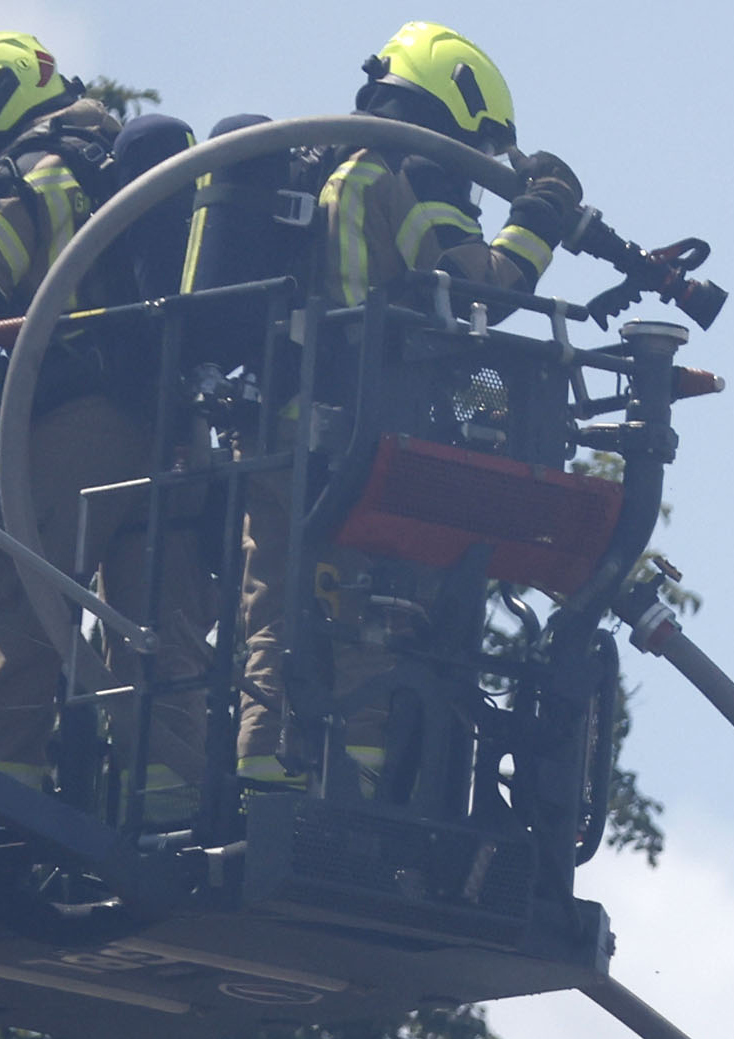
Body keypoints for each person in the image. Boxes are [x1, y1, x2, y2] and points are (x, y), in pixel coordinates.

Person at [222, 22, 588, 792]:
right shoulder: (413, 170)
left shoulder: (335, 166)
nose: (479, 165)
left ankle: (262, 779)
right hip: (362, 437)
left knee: (274, 616)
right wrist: (539, 222)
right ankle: (359, 802)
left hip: (278, 430)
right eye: (478, 144)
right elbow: (475, 290)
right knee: (369, 620)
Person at [0, 31, 212, 799]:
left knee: (20, 596)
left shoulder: (26, 172)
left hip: (78, 420)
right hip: (174, 424)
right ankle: (171, 798)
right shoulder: (125, 167)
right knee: (158, 621)